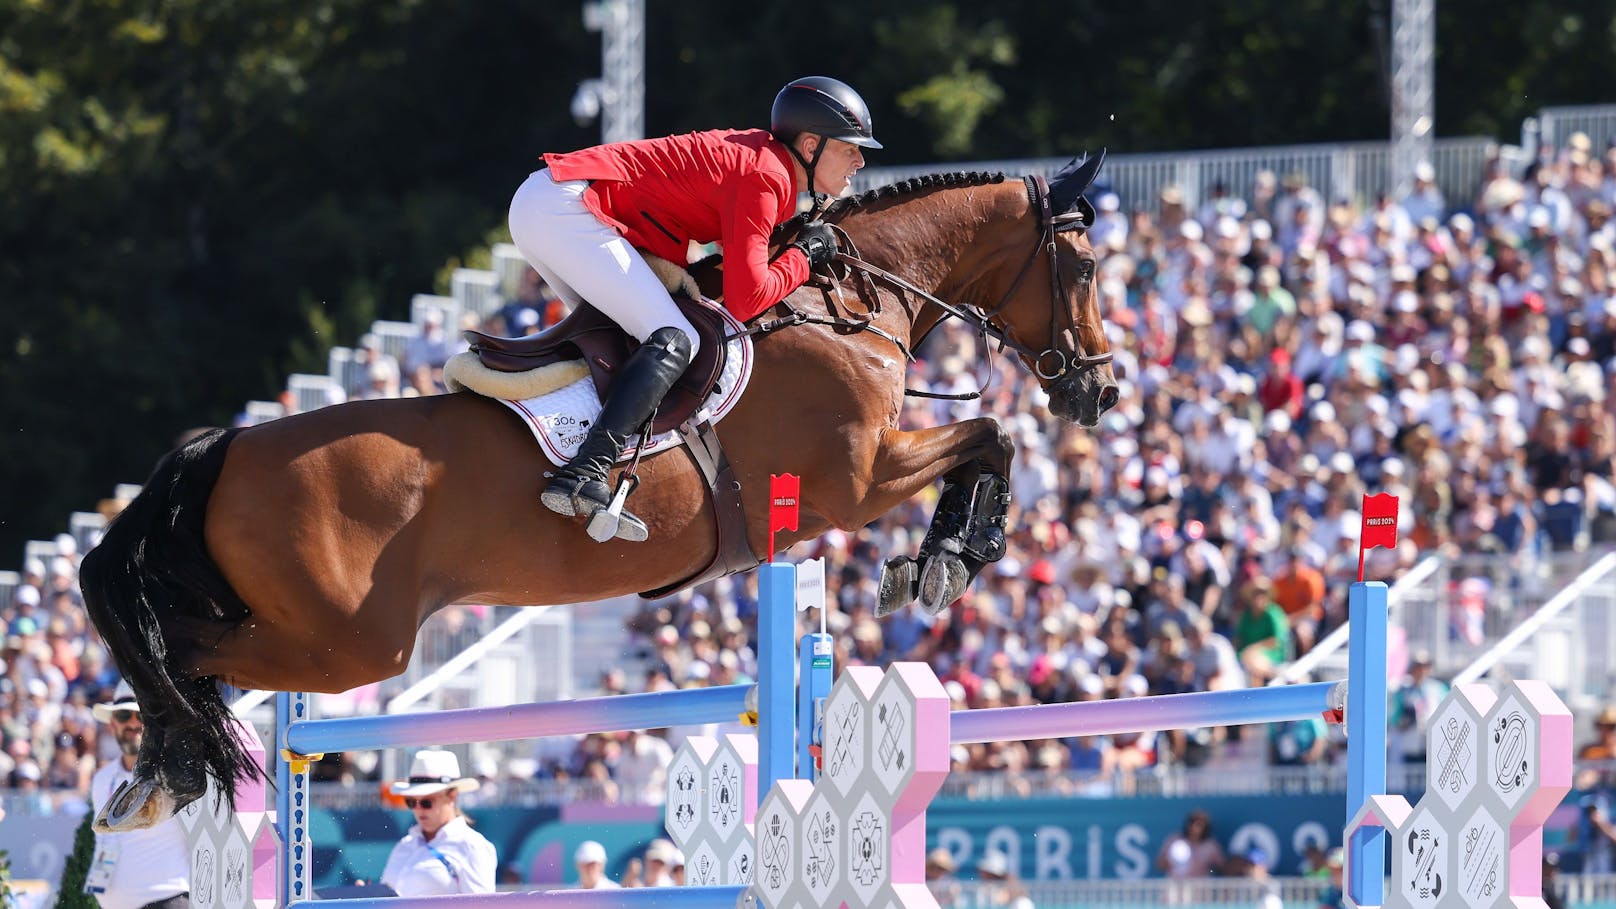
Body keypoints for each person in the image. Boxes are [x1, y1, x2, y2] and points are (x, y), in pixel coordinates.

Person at [509, 76, 879, 541]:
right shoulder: (764, 174)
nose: (860, 161)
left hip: (551, 204)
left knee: (627, 341)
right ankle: (584, 472)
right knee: (673, 338)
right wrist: (803, 258)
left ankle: (562, 454)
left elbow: (727, 274)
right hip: (567, 207)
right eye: (850, 148)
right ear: (810, 144)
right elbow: (746, 300)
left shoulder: (763, 164)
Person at [86, 682, 190, 909]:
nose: (133, 723)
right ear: (113, 724)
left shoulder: (175, 777)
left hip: (168, 900)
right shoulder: (103, 779)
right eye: (124, 715)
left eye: (141, 715)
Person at [379, 749, 498, 896]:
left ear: (452, 797)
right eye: (411, 802)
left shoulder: (472, 846)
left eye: (427, 802)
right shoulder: (404, 845)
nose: (418, 809)